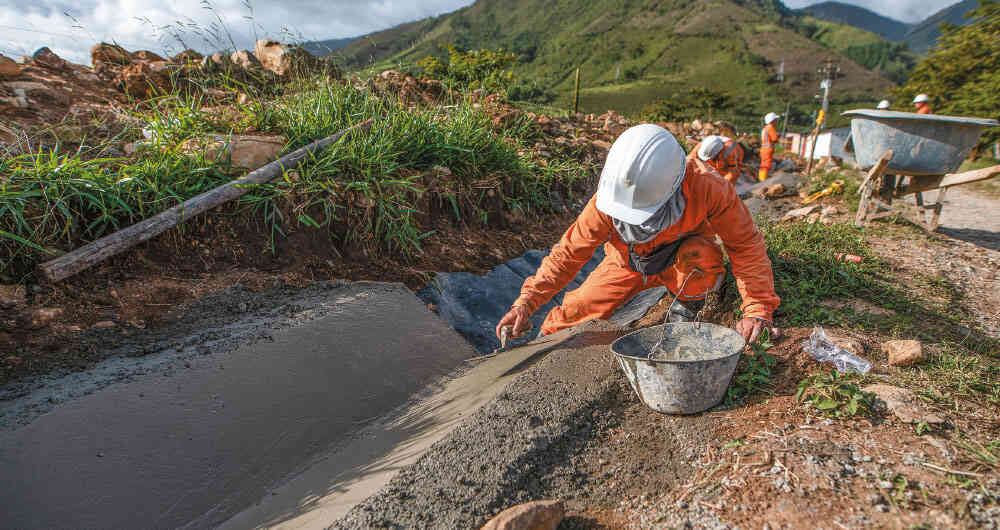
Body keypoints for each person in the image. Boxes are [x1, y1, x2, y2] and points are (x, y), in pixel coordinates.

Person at [495, 124, 781, 345]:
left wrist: (756, 308)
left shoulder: (708, 188)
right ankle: (543, 347)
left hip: (681, 262)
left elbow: (744, 245)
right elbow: (567, 255)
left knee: (702, 257)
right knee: (574, 312)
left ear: (672, 189)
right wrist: (526, 302)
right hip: (626, 265)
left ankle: (689, 306)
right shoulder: (607, 203)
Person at [758, 112, 780, 181]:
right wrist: (778, 136)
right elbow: (775, 139)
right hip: (768, 149)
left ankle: (761, 179)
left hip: (764, 149)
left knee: (763, 165)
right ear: (772, 120)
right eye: (776, 120)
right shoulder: (771, 128)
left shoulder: (765, 128)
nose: (776, 121)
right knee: (766, 165)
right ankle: (762, 180)